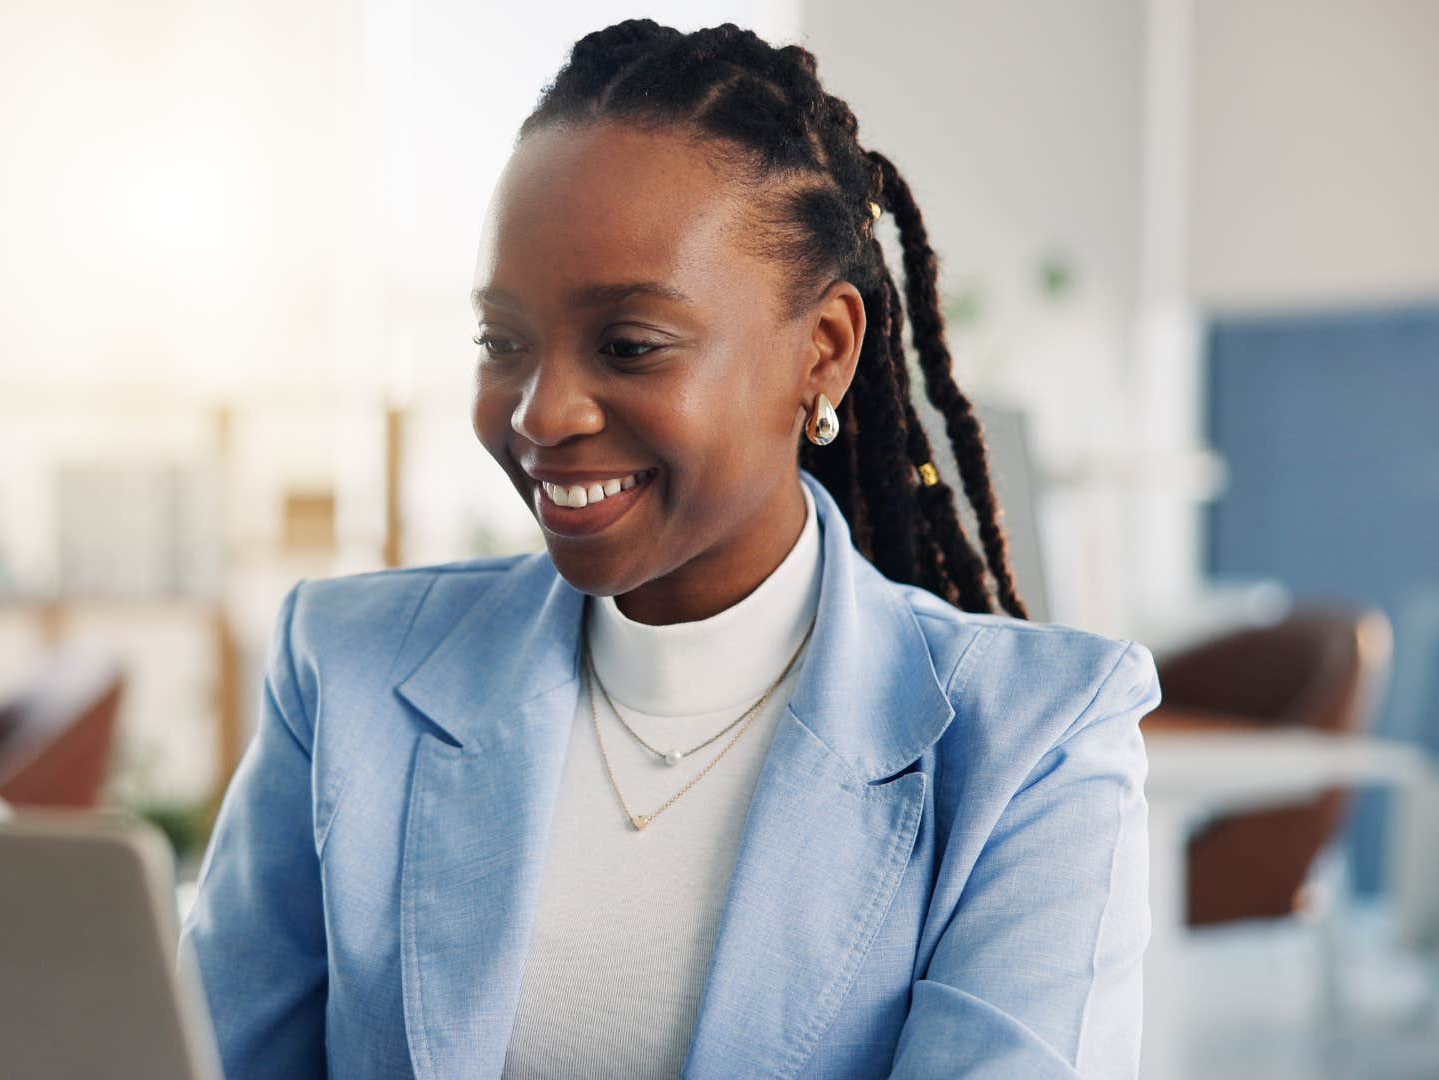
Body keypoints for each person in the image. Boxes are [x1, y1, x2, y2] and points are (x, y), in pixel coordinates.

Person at [182, 19, 1159, 1079]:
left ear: (822, 351)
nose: (543, 411)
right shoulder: (346, 670)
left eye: (630, 345)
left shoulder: (1039, 744)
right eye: (503, 343)